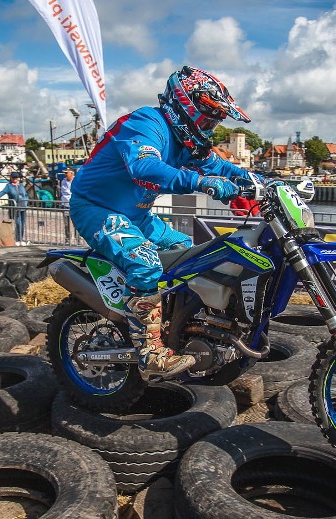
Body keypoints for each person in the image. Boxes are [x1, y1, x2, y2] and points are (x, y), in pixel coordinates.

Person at [69, 65, 253, 380]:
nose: (209, 127)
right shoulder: (146, 122)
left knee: (188, 254)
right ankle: (148, 352)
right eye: (208, 119)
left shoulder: (188, 144)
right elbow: (145, 167)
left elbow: (218, 165)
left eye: (214, 122)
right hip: (97, 208)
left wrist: (253, 181)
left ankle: (174, 325)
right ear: (185, 105)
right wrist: (203, 182)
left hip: (137, 216)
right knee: (146, 261)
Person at [0, 171, 28, 244]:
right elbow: (3, 191)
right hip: (15, 208)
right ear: (11, 178)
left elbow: (25, 194)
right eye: (13, 177)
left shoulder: (20, 185)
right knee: (18, 223)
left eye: (16, 177)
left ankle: (20, 239)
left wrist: (26, 201)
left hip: (23, 206)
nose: (15, 179)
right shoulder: (9, 186)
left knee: (22, 223)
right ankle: (18, 239)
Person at [60, 168, 75, 242]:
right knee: (66, 224)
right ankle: (68, 239)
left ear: (72, 173)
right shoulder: (63, 181)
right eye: (65, 173)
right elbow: (65, 193)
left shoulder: (76, 181)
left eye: (67, 173)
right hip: (66, 205)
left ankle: (78, 239)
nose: (65, 175)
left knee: (76, 223)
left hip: (74, 206)